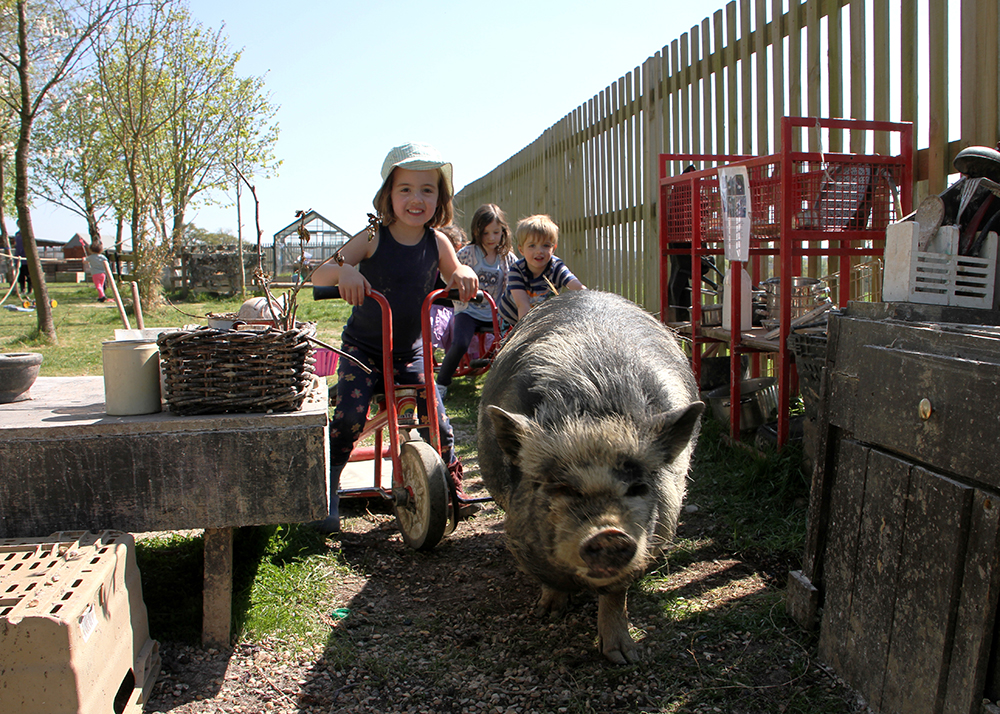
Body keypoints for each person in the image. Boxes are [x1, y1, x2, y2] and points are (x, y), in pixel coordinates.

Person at [311, 142, 479, 534]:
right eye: (405, 189)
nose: (416, 199)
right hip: (364, 350)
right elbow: (322, 274)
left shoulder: (437, 242)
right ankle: (329, 487)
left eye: (427, 189)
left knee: (439, 420)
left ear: (440, 198)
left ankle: (450, 486)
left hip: (411, 350)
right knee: (351, 416)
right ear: (388, 194)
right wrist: (346, 271)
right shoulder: (373, 235)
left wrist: (464, 276)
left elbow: (454, 274)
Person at [435, 203, 515, 399]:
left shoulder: (506, 258)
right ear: (477, 232)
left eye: (495, 233)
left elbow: (515, 281)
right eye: (485, 233)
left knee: (506, 346)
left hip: (494, 313)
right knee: (460, 343)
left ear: (503, 232)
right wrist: (458, 287)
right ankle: (442, 384)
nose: (491, 238)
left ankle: (504, 388)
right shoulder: (469, 253)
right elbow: (450, 272)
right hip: (468, 310)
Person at [498, 214, 585, 327]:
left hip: (541, 318)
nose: (539, 251)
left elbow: (577, 287)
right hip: (512, 319)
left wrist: (588, 296)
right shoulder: (517, 270)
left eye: (545, 245)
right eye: (532, 246)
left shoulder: (556, 267)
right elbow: (522, 305)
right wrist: (526, 336)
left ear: (553, 249)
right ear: (521, 250)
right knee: (512, 343)